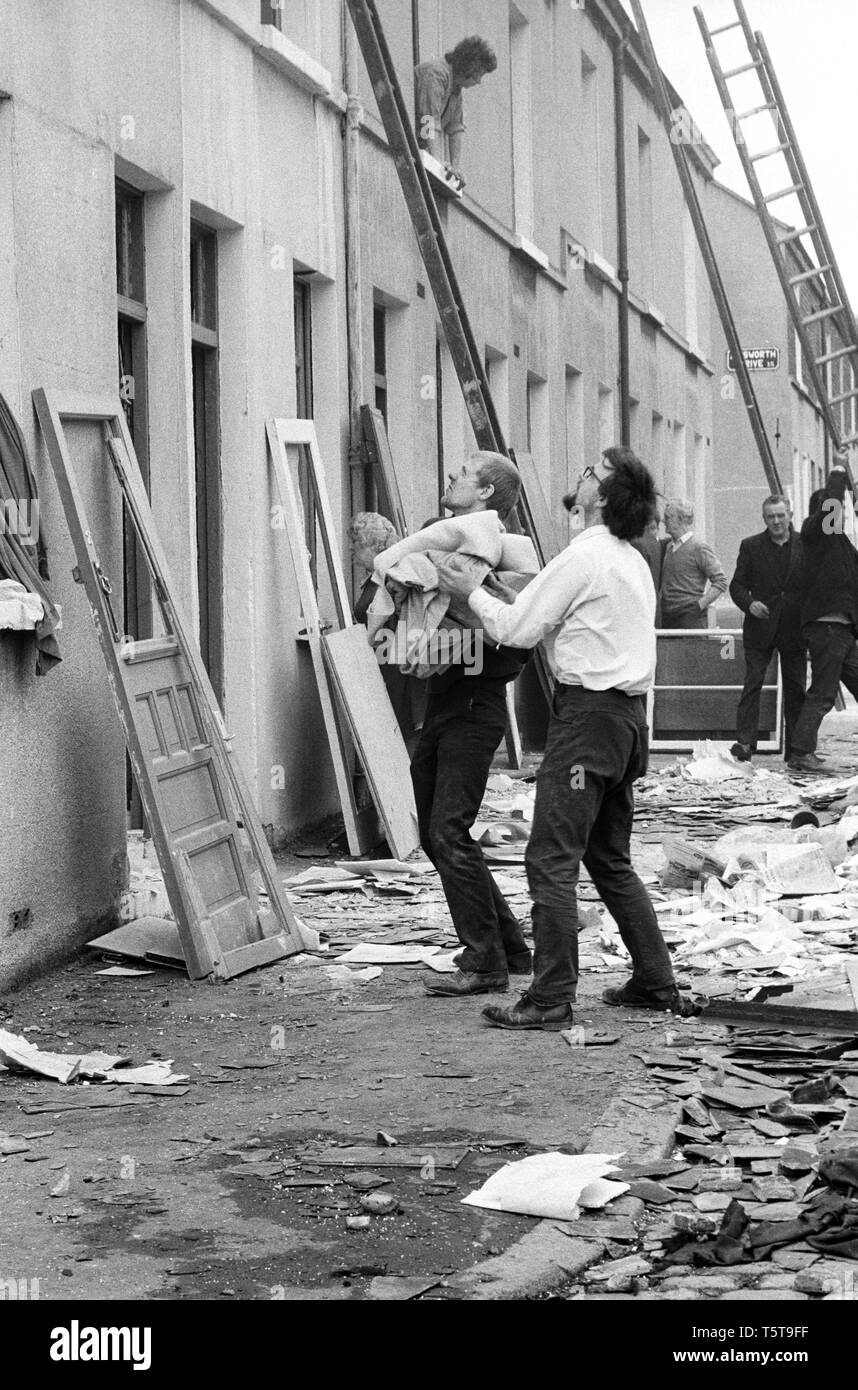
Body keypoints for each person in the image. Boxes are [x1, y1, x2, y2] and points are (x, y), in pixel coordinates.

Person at [435, 446, 695, 1029]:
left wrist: (466, 590)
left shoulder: (585, 556)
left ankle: (551, 997)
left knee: (551, 859)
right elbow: (544, 614)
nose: (579, 477)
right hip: (626, 722)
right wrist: (500, 598)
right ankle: (655, 980)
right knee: (610, 859)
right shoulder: (629, 558)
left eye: (590, 475)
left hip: (588, 723)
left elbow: (517, 630)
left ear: (600, 498)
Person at [412, 452, 534, 998]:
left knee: (447, 830)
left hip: (473, 709)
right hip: (443, 706)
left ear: (485, 493)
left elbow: (513, 645)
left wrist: (454, 645)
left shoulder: (502, 563)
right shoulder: (453, 546)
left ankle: (485, 961)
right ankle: (509, 945)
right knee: (436, 834)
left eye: (462, 471)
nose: (450, 475)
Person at [787, 463, 858, 772]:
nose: (839, 513)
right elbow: (831, 504)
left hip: (842, 629)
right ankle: (801, 754)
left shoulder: (841, 545)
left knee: (827, 690)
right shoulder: (818, 535)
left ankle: (802, 753)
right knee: (822, 694)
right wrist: (839, 473)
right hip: (828, 628)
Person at [729, 495, 806, 764]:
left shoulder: (805, 545)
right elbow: (736, 586)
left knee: (796, 689)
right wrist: (750, 604)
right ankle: (746, 744)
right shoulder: (750, 546)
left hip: (795, 628)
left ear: (790, 515)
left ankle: (797, 750)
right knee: (753, 685)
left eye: (780, 515)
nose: (776, 521)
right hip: (761, 627)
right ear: (764, 519)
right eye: (770, 516)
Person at [415, 36, 497, 183]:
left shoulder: (456, 89)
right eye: (479, 75)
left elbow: (455, 128)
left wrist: (455, 168)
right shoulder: (436, 73)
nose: (478, 81)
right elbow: (427, 119)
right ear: (469, 67)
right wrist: (436, 162)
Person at [659, 500, 727, 629]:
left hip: (690, 619)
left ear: (682, 519)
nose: (663, 521)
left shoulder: (698, 547)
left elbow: (721, 581)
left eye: (668, 517)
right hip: (668, 617)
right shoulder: (669, 547)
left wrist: (699, 606)